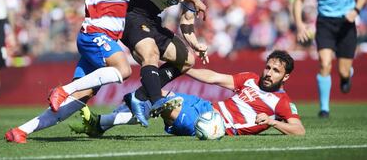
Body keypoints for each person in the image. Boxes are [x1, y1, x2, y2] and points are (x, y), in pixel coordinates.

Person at [0, 0, 206, 143]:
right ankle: (63, 89)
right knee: (122, 70)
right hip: (94, 34)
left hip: (107, 40)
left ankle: (21, 131)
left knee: (81, 98)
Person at [71, 50, 305, 137]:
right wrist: (186, 68)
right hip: (206, 106)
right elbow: (214, 78)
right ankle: (100, 124)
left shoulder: (281, 102)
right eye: (268, 67)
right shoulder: (250, 79)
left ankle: (99, 124)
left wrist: (273, 122)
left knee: (160, 105)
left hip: (215, 124)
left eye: (276, 71)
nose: (268, 73)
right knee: (153, 92)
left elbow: (299, 130)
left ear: (285, 77)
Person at [293, 0, 367, 118]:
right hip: (325, 23)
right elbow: (298, 0)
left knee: (342, 70)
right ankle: (324, 108)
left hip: (346, 23)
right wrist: (300, 24)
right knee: (324, 64)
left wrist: (356, 10)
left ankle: (346, 74)